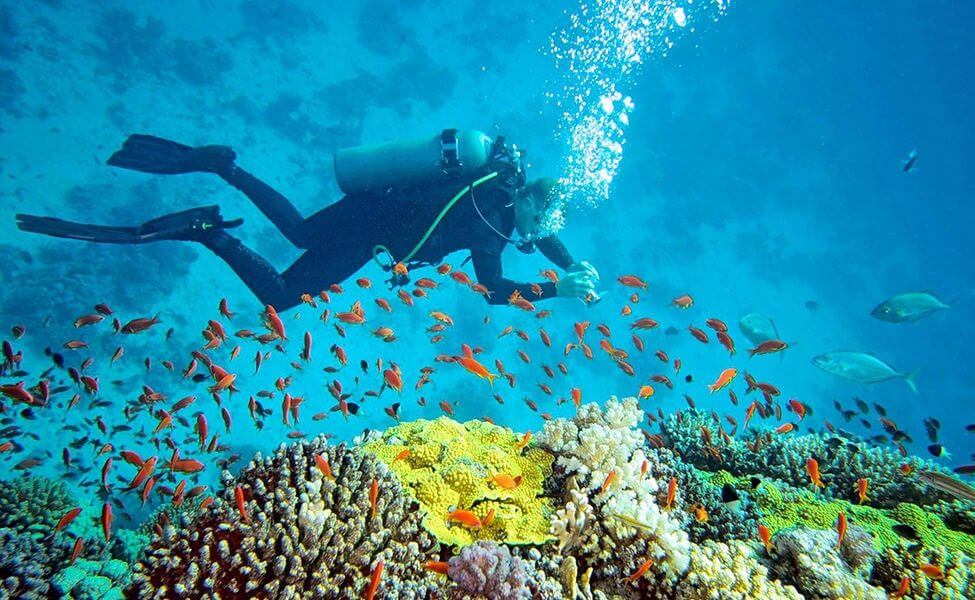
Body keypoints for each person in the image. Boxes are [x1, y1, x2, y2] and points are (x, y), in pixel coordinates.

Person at [16, 133, 600, 310]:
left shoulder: (500, 194)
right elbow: (495, 291)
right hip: (373, 233)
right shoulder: (487, 217)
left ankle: (227, 170)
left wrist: (572, 266)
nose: (538, 234)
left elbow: (543, 231)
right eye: (537, 222)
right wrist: (554, 288)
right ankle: (209, 233)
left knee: (296, 231)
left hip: (374, 213)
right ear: (525, 202)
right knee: (282, 297)